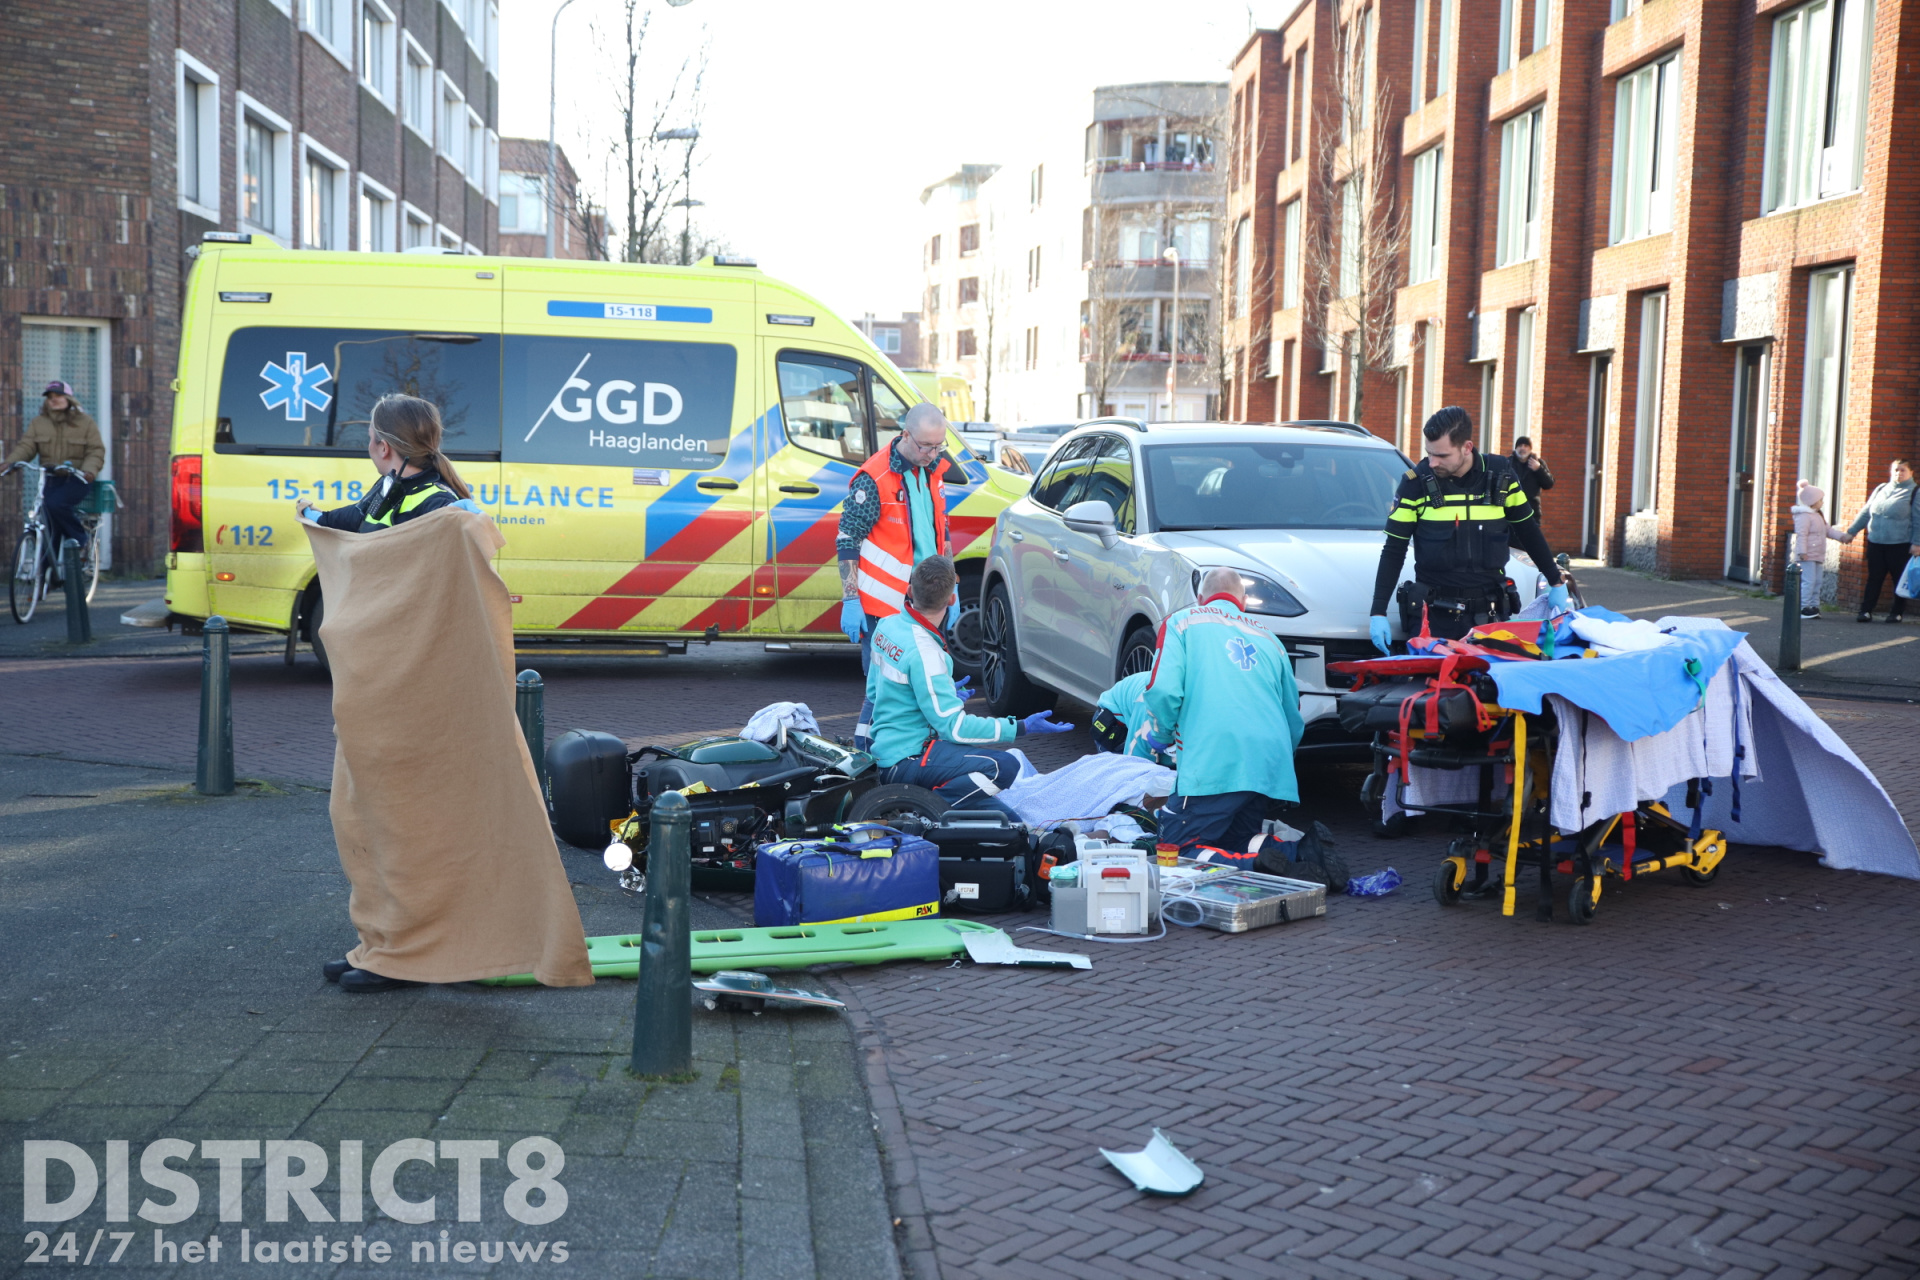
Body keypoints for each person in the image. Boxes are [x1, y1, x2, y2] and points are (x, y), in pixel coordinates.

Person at [863, 554, 1071, 814]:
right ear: (952, 599)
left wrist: (942, 694)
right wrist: (1020, 727)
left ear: (909, 590)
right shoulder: (926, 654)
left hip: (887, 755)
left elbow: (875, 692)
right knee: (1004, 767)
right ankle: (922, 809)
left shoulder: (887, 626)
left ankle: (930, 802)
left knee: (1011, 821)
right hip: (909, 760)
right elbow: (955, 729)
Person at [1368, 407, 1569, 650]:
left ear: (1467, 447)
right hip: (1433, 620)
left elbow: (1528, 531)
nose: (1432, 463)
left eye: (1442, 455)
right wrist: (1378, 611)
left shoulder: (1501, 477)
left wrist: (1555, 581)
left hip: (1491, 618)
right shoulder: (1416, 484)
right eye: (1429, 454)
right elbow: (1394, 549)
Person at [1143, 567, 1305, 857]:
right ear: (1242, 601)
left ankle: (1287, 860)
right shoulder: (1270, 639)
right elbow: (1293, 713)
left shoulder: (1181, 623)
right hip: (1267, 764)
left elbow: (1163, 690)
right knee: (1237, 842)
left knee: (1174, 852)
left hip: (1214, 760)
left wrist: (1161, 733)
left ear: (1201, 598)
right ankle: (1288, 857)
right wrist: (1279, 758)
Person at [837, 402, 959, 669]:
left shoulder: (933, 470)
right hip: (885, 606)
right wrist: (851, 599)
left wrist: (952, 586)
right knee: (881, 693)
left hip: (926, 599)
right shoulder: (874, 478)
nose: (932, 454)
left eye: (939, 446)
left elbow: (942, 529)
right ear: (906, 435)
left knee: (919, 684)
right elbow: (848, 538)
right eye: (926, 446)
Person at [294, 394, 478, 532]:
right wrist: (317, 517)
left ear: (384, 448)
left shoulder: (437, 499)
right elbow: (357, 515)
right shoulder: (388, 486)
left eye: (370, 438)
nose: (368, 446)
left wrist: (452, 511)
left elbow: (445, 515)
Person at [3, 382, 106, 569]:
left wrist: (89, 471)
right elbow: (27, 446)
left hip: (77, 479)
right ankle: (44, 581)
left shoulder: (85, 422)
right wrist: (10, 463)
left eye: (58, 396)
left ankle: (81, 539)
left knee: (55, 505)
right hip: (51, 479)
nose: (54, 400)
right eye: (50, 397)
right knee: (49, 527)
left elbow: (95, 450)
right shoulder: (39, 423)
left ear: (69, 398)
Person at [1842, 460, 1919, 623]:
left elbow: (1918, 519)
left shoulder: (1915, 492)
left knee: (1898, 579)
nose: (1899, 473)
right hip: (1876, 542)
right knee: (1874, 578)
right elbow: (1866, 512)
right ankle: (1866, 611)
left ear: (1911, 473)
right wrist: (1851, 532)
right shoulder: (1881, 489)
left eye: (1903, 470)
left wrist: (1917, 543)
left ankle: (1896, 613)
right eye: (1896, 470)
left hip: (1900, 544)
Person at [1090, 671, 1174, 766]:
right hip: (1114, 723)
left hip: (1152, 721)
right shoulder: (1149, 713)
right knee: (1119, 773)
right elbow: (1135, 763)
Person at [1792, 481, 1846, 621]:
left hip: (1818, 554)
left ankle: (1814, 606)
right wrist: (1802, 552)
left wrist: (1842, 537)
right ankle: (1803, 607)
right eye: (1820, 499)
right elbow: (1801, 534)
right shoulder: (1804, 516)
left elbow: (1828, 530)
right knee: (1808, 581)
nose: (1822, 502)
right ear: (1812, 501)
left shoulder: (1818, 515)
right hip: (1807, 555)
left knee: (1817, 581)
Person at [1508, 436, 1555, 510]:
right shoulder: (1508, 463)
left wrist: (1539, 469)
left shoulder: (1538, 463)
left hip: (1532, 509)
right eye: (1520, 446)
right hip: (1511, 508)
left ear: (1530, 449)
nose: (1522, 448)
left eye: (1526, 446)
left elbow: (1549, 484)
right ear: (1516, 448)